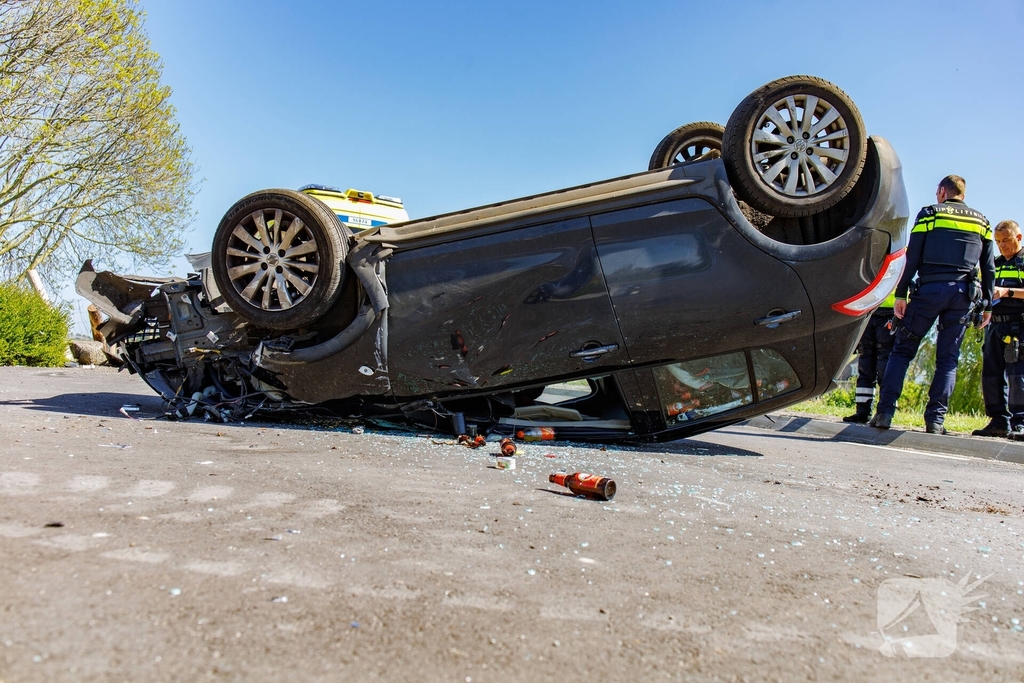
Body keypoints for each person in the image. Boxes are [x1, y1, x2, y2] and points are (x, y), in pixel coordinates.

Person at [869, 175, 994, 433]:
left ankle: (884, 414)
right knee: (948, 360)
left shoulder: (929, 214)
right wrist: (988, 305)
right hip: (962, 296)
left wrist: (901, 295)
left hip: (928, 292)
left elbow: (912, 257)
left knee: (902, 352)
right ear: (963, 194)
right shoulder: (982, 222)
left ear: (941, 191)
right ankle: (935, 421)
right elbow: (988, 268)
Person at [973, 220, 1024, 438]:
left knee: (1017, 375)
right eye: (998, 242)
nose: (1002, 245)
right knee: (991, 374)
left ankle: (1020, 421)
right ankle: (998, 421)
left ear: (1018, 238)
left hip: (1019, 325)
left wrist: (1006, 292)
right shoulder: (994, 264)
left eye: (1006, 240)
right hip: (995, 325)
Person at [843, 289, 896, 423]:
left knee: (884, 366)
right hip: (867, 311)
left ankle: (884, 411)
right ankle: (863, 411)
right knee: (865, 364)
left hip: (889, 313)